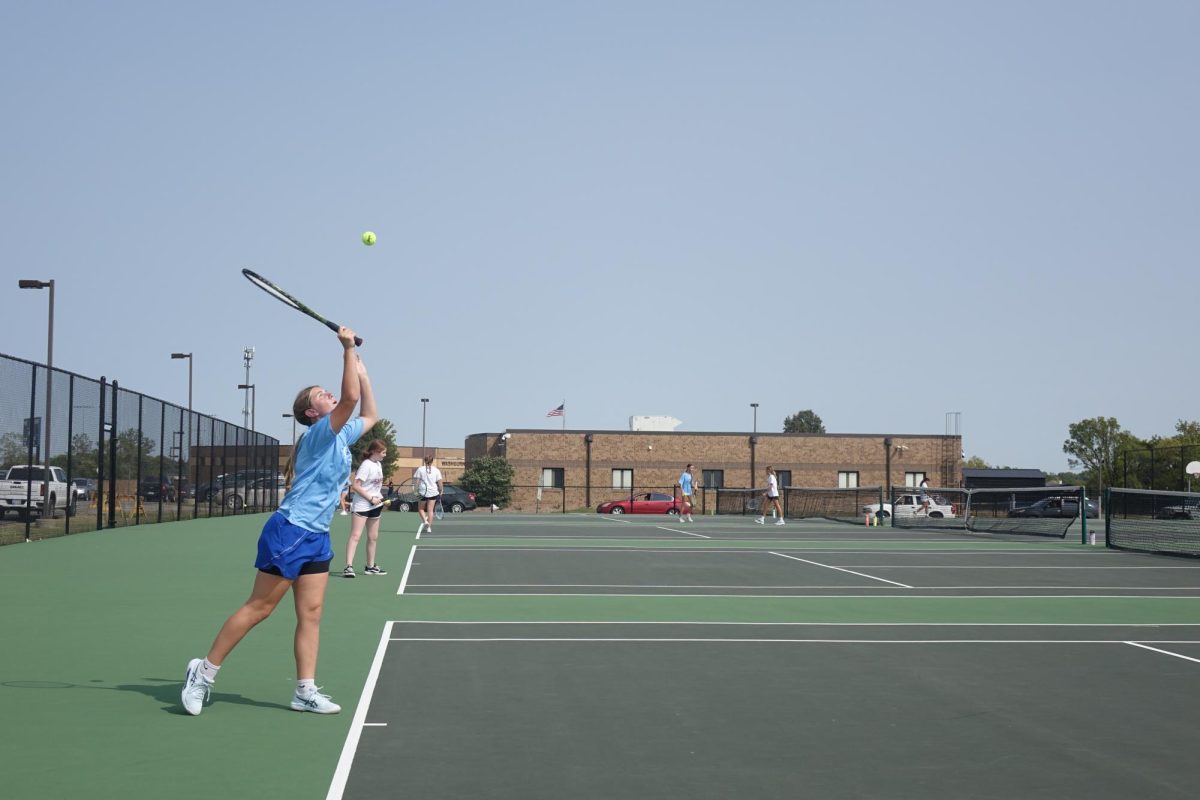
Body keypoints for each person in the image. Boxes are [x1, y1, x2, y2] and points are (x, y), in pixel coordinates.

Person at [181, 326, 377, 716]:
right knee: (260, 608)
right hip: (290, 529)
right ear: (311, 412)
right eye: (322, 395)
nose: (330, 395)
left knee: (311, 613)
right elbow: (352, 399)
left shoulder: (341, 436)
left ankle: (304, 690)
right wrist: (345, 351)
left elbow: (369, 412)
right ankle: (202, 674)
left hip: (317, 534)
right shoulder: (322, 432)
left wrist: (363, 371)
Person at [342, 440, 388, 578]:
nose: (385, 455)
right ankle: (348, 567)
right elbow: (356, 486)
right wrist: (370, 498)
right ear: (374, 451)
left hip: (375, 505)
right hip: (362, 505)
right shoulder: (366, 465)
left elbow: (375, 486)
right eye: (383, 452)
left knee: (373, 537)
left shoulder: (378, 464)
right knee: (356, 536)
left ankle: (370, 566)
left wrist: (378, 498)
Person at [414, 453, 443, 534]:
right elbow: (440, 483)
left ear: (424, 461)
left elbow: (417, 482)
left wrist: (415, 490)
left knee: (420, 509)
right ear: (432, 461)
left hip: (422, 492)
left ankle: (425, 521)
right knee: (430, 510)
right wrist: (441, 490)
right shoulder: (436, 470)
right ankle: (429, 527)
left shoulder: (420, 469)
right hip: (433, 492)